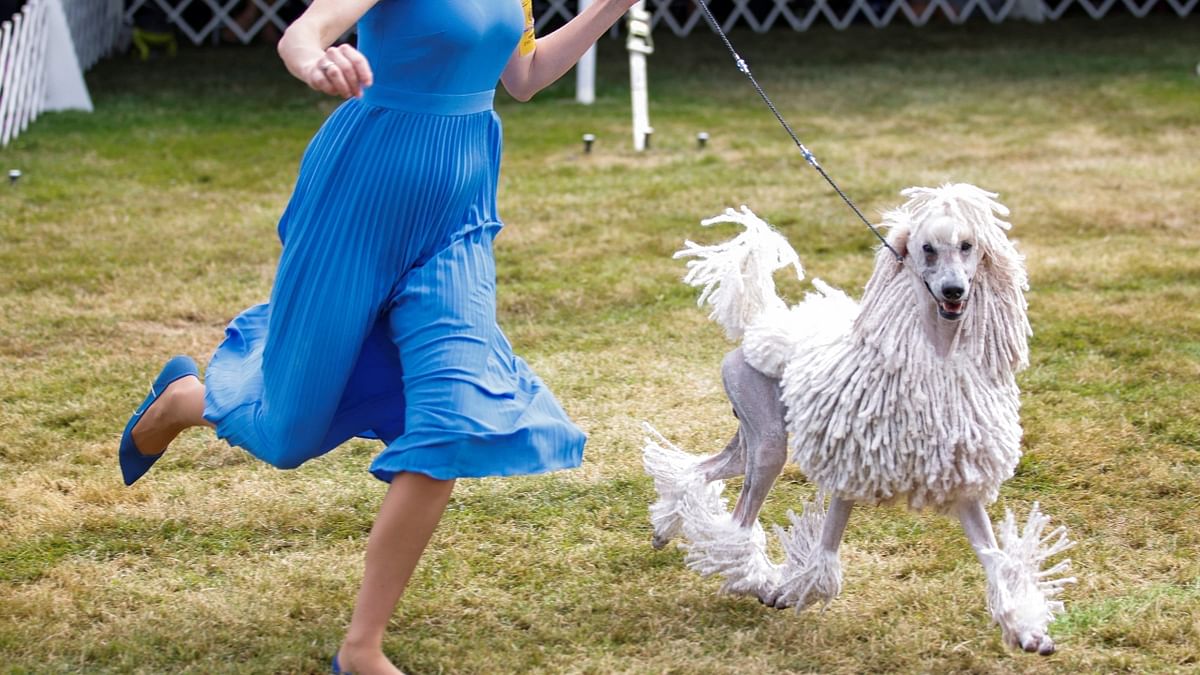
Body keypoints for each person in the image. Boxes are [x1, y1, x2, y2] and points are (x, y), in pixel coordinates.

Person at [116, 0, 640, 672]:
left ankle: (361, 648)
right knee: (290, 433)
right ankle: (184, 398)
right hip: (361, 196)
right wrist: (318, 62)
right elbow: (303, 35)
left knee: (453, 415)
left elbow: (525, 75)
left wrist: (608, 8)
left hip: (460, 210)